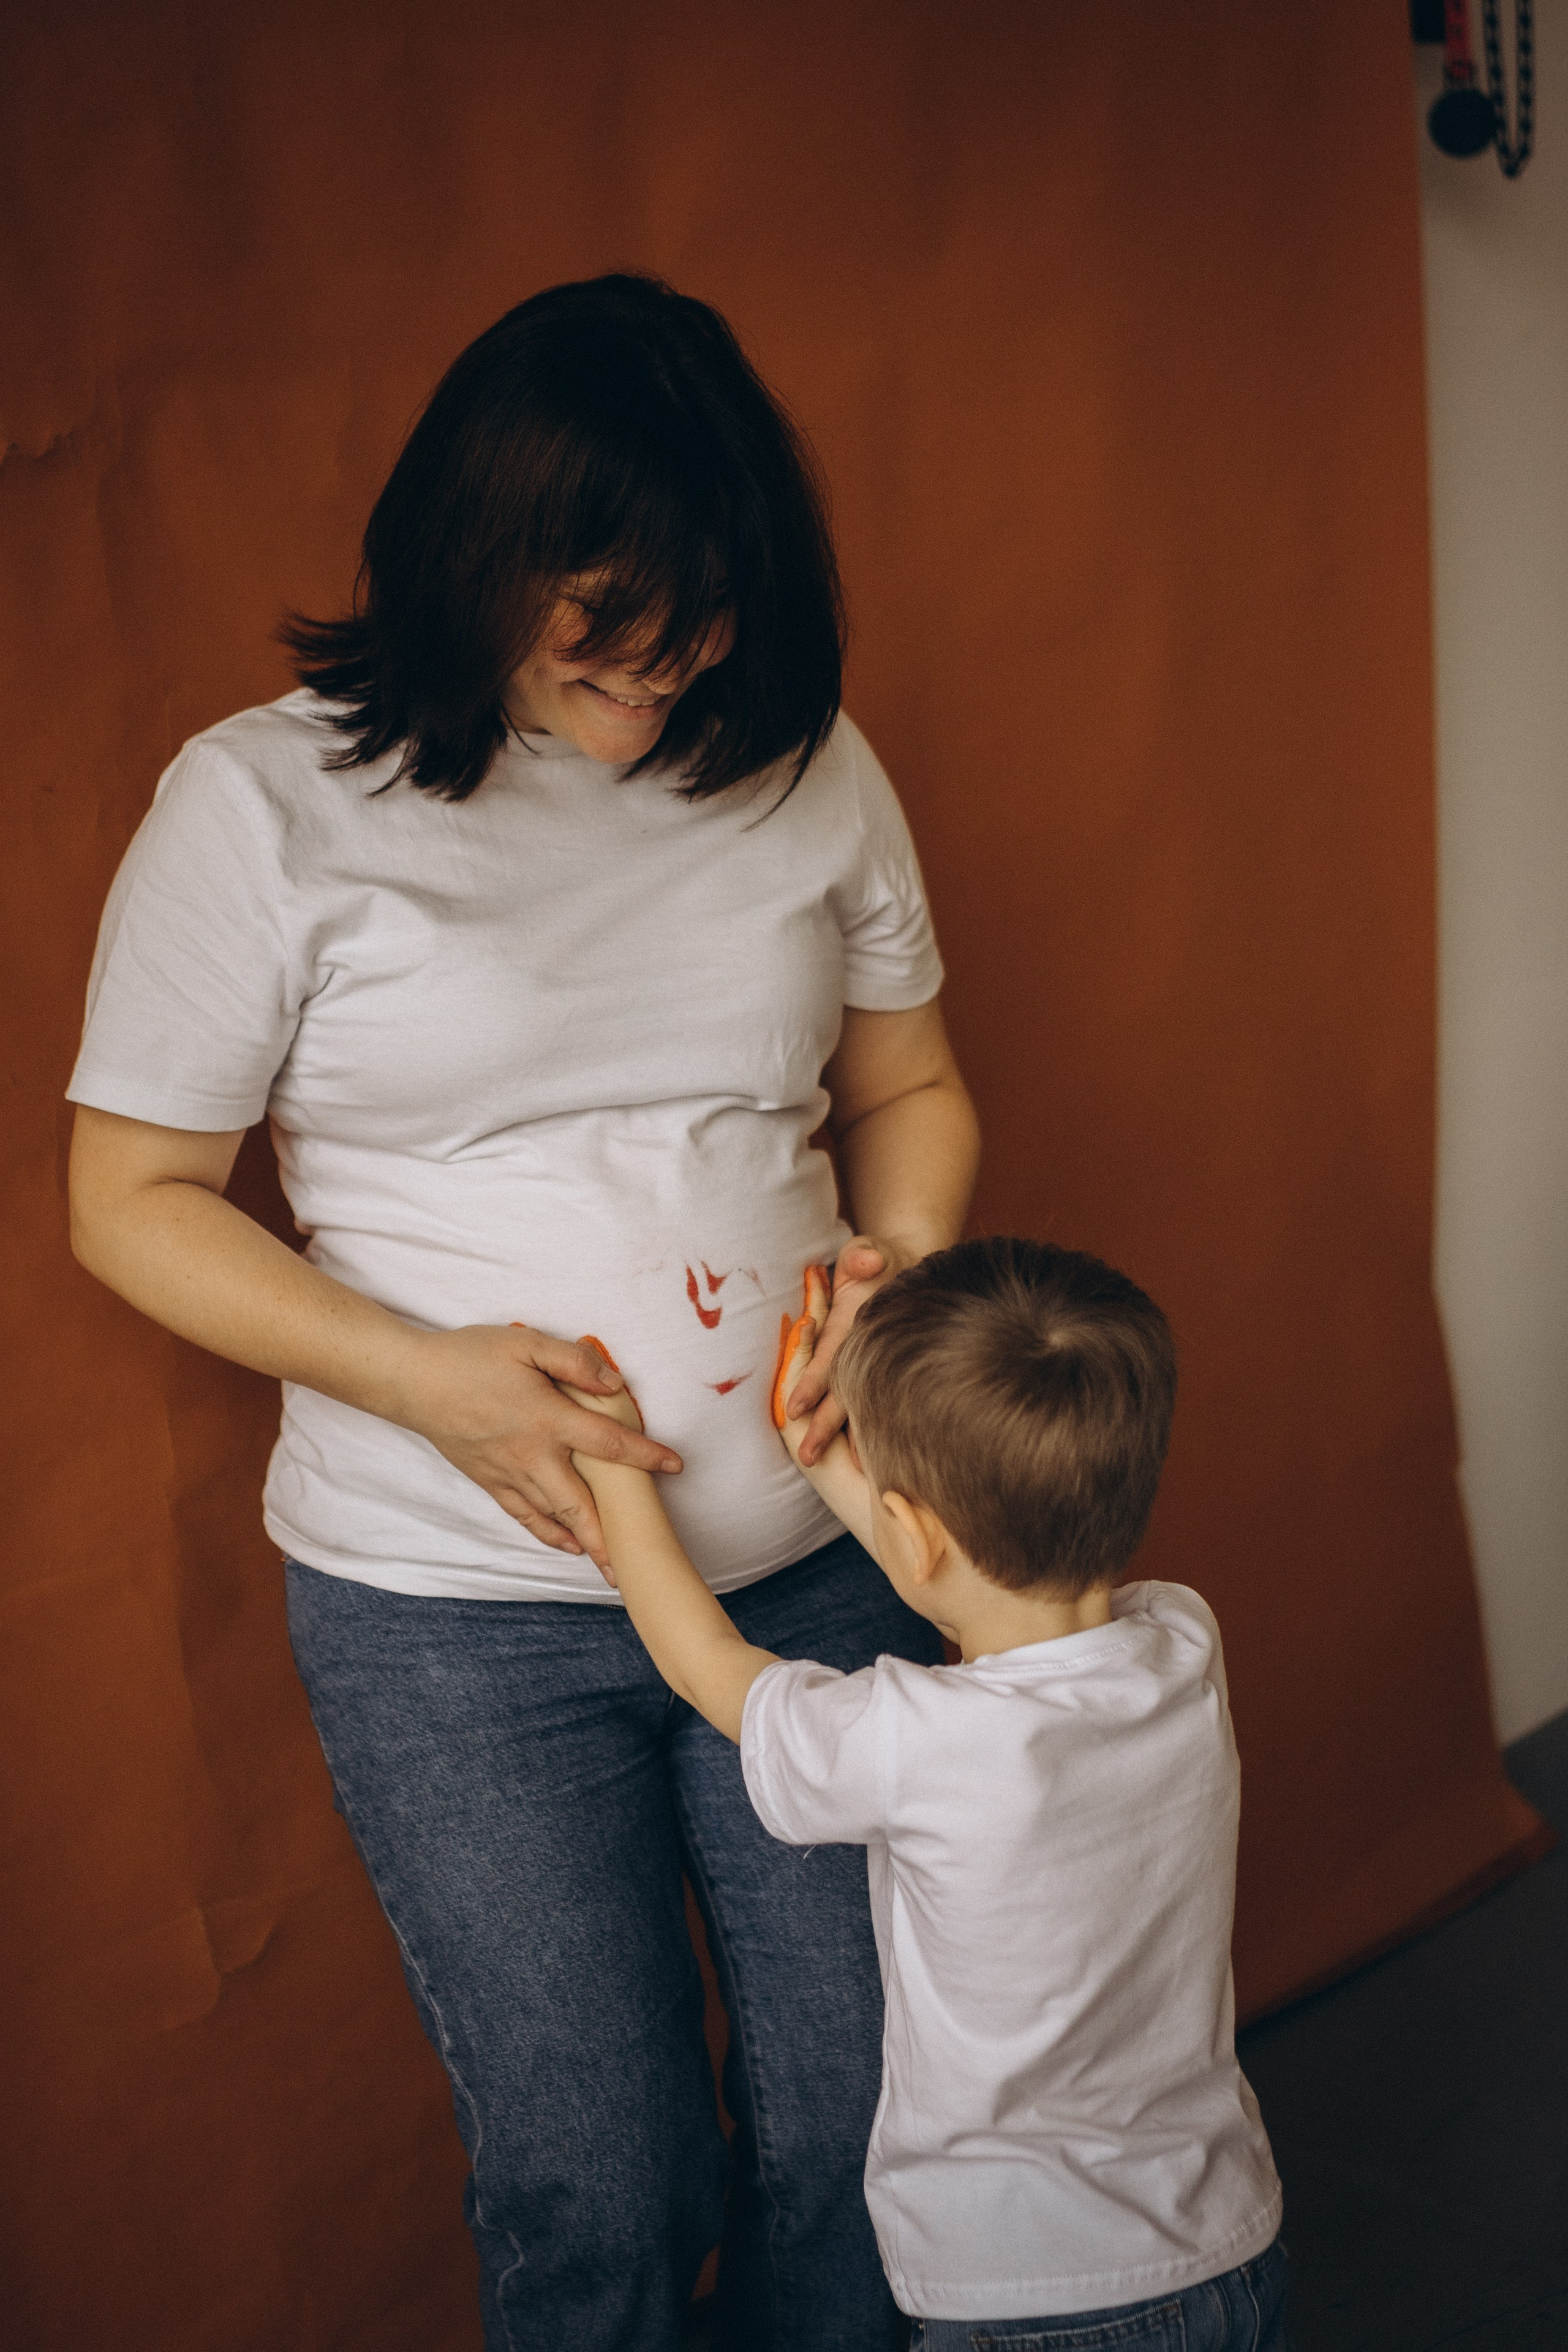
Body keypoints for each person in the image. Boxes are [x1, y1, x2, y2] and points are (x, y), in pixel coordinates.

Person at [65, 274, 981, 2352]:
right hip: (457, 1623)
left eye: (720, 612)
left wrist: (897, 1270)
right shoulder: (265, 803)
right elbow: (124, 1201)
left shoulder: (807, 768)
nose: (681, 664)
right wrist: (429, 1386)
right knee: (606, 2175)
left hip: (824, 1579)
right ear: (478, 558)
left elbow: (908, 1087)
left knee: (868, 2135)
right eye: (616, 620)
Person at [559, 1241, 1291, 2351]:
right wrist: (839, 1471)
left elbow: (706, 1660)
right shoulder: (1182, 1642)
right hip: (1228, 2250)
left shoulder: (910, 1739)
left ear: (911, 1531)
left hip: (1030, 2300)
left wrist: (618, 1476)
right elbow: (987, 1588)